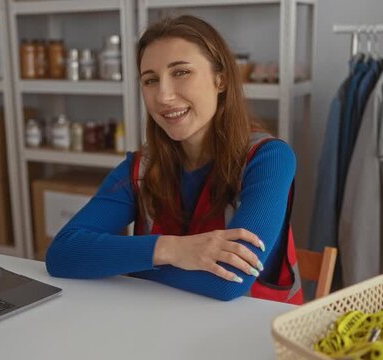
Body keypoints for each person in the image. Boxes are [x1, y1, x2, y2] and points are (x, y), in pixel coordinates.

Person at [46, 15, 297, 301]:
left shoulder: (270, 159)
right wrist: (171, 250)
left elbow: (228, 282)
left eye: (181, 72)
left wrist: (127, 263)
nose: (163, 96)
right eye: (150, 80)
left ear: (221, 79)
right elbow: (62, 254)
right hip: (162, 327)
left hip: (253, 335)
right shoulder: (141, 168)